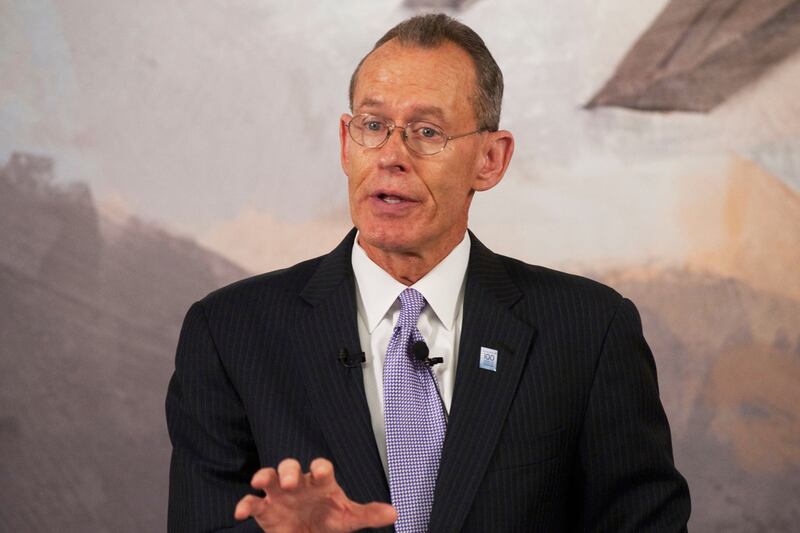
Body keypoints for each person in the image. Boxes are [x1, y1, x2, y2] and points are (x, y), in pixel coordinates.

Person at [166, 13, 691, 533]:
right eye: (373, 126)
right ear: (346, 143)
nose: (391, 156)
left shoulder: (589, 331)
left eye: (427, 131)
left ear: (490, 159)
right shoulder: (231, 333)